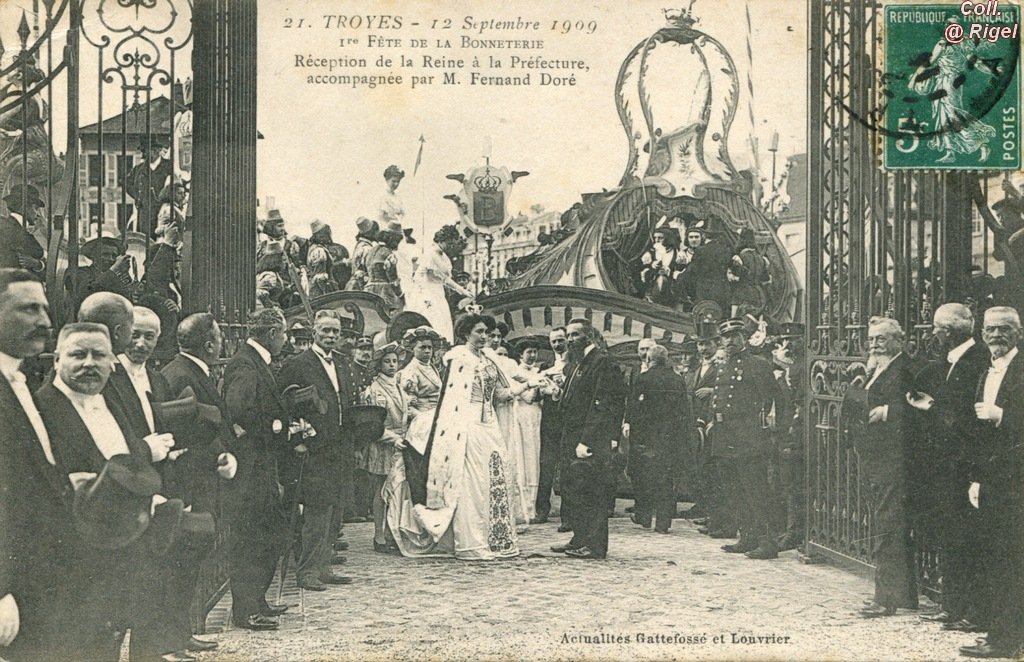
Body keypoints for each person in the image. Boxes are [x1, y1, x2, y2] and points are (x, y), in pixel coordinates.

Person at [35, 322, 175, 661]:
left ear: (112, 361)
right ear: (57, 359)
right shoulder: (42, 409)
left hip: (120, 553)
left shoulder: (109, 402)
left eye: (99, 355)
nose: (89, 363)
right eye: (77, 354)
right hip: (71, 562)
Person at [384, 313, 520, 560]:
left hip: (490, 426)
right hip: (466, 425)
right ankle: (470, 541)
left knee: (490, 478)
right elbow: (453, 400)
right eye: (478, 332)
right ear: (466, 334)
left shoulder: (489, 360)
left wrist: (528, 385)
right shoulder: (458, 359)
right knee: (470, 481)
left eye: (486, 333)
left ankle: (495, 538)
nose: (484, 337)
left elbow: (500, 394)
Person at [0, 269, 79, 660]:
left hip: (44, 579)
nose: (45, 322)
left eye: (46, 309)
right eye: (29, 309)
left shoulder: (21, 382)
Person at [907, 303, 990, 632]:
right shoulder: (947, 361)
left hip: (966, 465)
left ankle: (973, 609)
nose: (933, 334)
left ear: (951, 332)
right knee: (950, 535)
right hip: (945, 465)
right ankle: (952, 605)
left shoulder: (978, 360)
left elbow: (967, 415)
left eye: (937, 329)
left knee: (968, 538)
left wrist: (931, 406)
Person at [160, 313, 239, 655]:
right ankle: (171, 637)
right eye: (220, 338)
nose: (222, 343)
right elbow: (184, 434)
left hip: (202, 477)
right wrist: (217, 455)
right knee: (181, 563)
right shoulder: (180, 375)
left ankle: (181, 633)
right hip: (189, 483)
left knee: (189, 564)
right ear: (209, 344)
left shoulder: (188, 371)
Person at [959, 307, 1024, 659]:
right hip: (994, 479)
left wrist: (1004, 416)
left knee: (1011, 560)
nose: (996, 336)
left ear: (1019, 333)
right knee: (999, 559)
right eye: (990, 330)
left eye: (1004, 329)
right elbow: (978, 436)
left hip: (1018, 479)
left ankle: (1005, 640)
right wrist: (976, 478)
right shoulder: (986, 371)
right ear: (982, 334)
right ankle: (1002, 635)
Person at [277, 310, 357, 592]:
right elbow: (285, 404)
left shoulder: (343, 364)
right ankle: (307, 571)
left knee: (335, 511)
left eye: (335, 331)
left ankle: (324, 568)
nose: (331, 336)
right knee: (316, 513)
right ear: (314, 332)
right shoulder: (297, 364)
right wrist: (297, 440)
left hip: (339, 447)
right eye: (325, 331)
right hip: (313, 450)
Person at [222, 308, 290, 631]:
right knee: (251, 538)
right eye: (285, 334)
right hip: (250, 467)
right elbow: (239, 410)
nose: (286, 340)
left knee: (266, 534)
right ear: (272, 333)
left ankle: (257, 600)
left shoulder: (254, 359)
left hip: (261, 463)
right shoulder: (246, 363)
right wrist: (277, 428)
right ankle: (246, 609)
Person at [852, 316, 919, 617]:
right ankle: (903, 597)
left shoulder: (906, 368)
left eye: (881, 338)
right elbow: (852, 408)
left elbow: (927, 406)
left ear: (899, 341)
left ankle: (886, 598)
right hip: (875, 459)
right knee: (887, 525)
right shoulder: (874, 368)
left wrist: (890, 410)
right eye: (872, 339)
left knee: (889, 527)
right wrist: (860, 379)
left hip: (896, 460)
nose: (875, 343)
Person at [550, 318, 627, 559]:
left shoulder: (602, 362)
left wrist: (587, 440)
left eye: (575, 335)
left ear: (589, 336)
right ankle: (579, 538)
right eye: (568, 335)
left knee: (592, 492)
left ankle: (595, 545)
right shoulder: (578, 362)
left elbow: (603, 405)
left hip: (589, 439)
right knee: (575, 491)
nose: (570, 340)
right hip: (572, 435)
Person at [710, 318, 785, 560]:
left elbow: (775, 399)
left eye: (735, 336)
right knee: (734, 489)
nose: (730, 341)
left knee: (756, 490)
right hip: (724, 436)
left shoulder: (758, 364)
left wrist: (770, 430)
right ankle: (747, 536)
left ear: (744, 338)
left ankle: (767, 542)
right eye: (726, 337)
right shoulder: (723, 365)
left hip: (748, 437)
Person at [623, 345, 693, 533]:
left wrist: (632, 430)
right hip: (670, 438)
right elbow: (683, 411)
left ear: (649, 359)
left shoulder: (643, 379)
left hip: (646, 439)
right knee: (666, 480)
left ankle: (644, 516)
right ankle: (663, 523)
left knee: (644, 478)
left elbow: (635, 408)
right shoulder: (678, 380)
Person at [364, 338, 408, 553]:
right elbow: (373, 424)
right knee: (381, 491)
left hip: (401, 442)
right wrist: (393, 438)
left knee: (396, 490)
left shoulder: (398, 386)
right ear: (379, 365)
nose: (392, 365)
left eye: (395, 361)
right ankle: (379, 536)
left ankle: (392, 532)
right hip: (383, 444)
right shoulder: (376, 390)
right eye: (387, 362)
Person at [511, 338, 553, 524]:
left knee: (537, 456)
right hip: (523, 416)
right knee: (527, 457)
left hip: (538, 416)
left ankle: (539, 504)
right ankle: (526, 506)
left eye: (535, 352)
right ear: (521, 354)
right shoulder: (516, 373)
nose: (533, 355)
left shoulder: (539, 372)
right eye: (529, 352)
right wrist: (537, 387)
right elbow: (528, 397)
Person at [405, 225, 473, 341]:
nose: (451, 247)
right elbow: (443, 279)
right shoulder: (430, 255)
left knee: (443, 322)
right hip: (427, 294)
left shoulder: (444, 257)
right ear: (441, 241)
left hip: (438, 294)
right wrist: (462, 290)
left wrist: (462, 291)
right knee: (434, 321)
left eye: (453, 244)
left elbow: (446, 278)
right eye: (449, 243)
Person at [535, 326, 569, 526]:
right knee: (546, 465)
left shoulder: (575, 363)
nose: (557, 344)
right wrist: (544, 388)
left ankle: (568, 515)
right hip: (549, 421)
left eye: (560, 340)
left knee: (567, 468)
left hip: (567, 420)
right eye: (554, 341)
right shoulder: (546, 365)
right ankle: (542, 510)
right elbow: (537, 392)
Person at [65, 237, 135, 317]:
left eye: (114, 256)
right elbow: (89, 292)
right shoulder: (80, 272)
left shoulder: (117, 277)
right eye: (105, 254)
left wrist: (125, 274)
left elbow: (127, 302)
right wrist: (114, 268)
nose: (110, 259)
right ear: (93, 255)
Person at [0, 184, 45, 275]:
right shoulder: (16, 231)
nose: (38, 214)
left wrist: (38, 264)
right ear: (25, 207)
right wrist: (38, 264)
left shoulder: (8, 226)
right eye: (36, 208)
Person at [399, 325, 443, 419]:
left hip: (439, 413)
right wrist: (423, 418)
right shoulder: (410, 371)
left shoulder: (432, 367)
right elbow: (408, 406)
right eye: (422, 347)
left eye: (429, 347)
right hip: (424, 417)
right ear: (413, 349)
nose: (427, 351)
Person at [364, 221, 405, 313]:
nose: (398, 244)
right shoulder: (389, 254)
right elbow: (393, 279)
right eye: (398, 241)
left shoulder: (371, 251)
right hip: (384, 292)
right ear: (393, 239)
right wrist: (400, 294)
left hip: (368, 291)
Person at [306, 220, 342, 297]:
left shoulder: (314, 248)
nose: (328, 237)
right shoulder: (319, 251)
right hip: (321, 290)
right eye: (324, 234)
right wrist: (328, 292)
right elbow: (320, 277)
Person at [346, 217, 378, 292]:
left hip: (352, 286)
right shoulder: (367, 248)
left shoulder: (359, 246)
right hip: (362, 288)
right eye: (376, 231)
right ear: (371, 232)